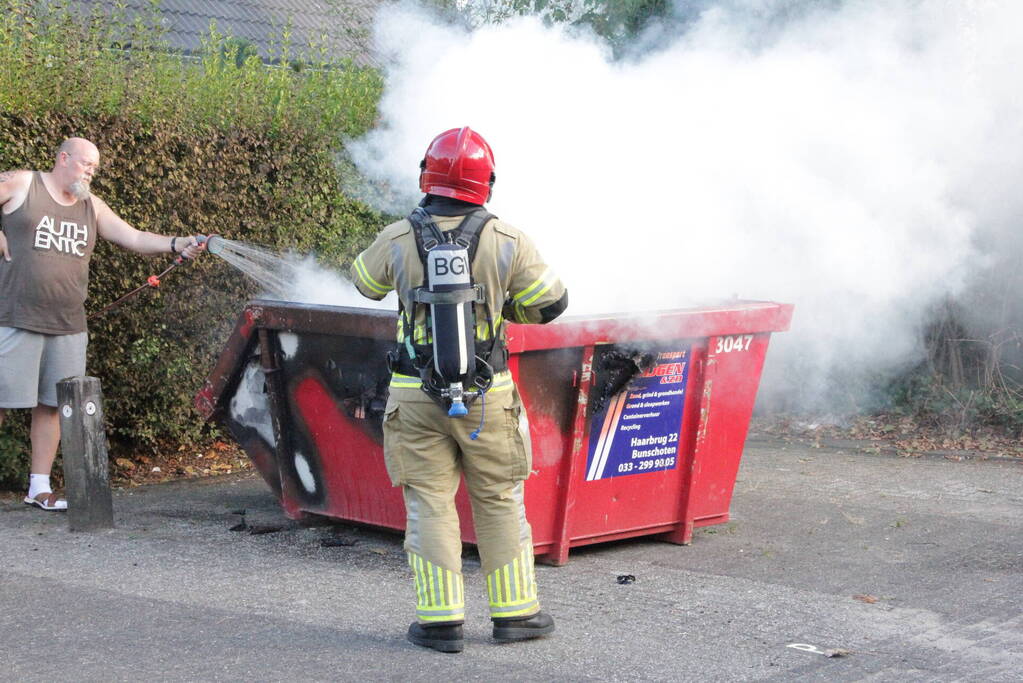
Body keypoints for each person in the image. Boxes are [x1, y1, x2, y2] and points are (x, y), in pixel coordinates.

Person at [351, 126, 569, 653]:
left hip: (413, 395)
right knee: (498, 498)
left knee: (428, 503)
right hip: (486, 396)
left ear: (427, 175)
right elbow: (552, 303)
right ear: (486, 183)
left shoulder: (398, 236)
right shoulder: (508, 239)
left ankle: (440, 622)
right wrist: (500, 305)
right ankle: (517, 614)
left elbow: (365, 283)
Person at [0, 137, 204, 511]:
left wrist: (177, 243)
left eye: (95, 167)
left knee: (52, 405)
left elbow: (135, 237)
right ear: (63, 158)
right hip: (14, 317)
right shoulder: (23, 183)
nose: (91, 172)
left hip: (68, 324)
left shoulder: (91, 206)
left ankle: (39, 487)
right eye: (85, 164)